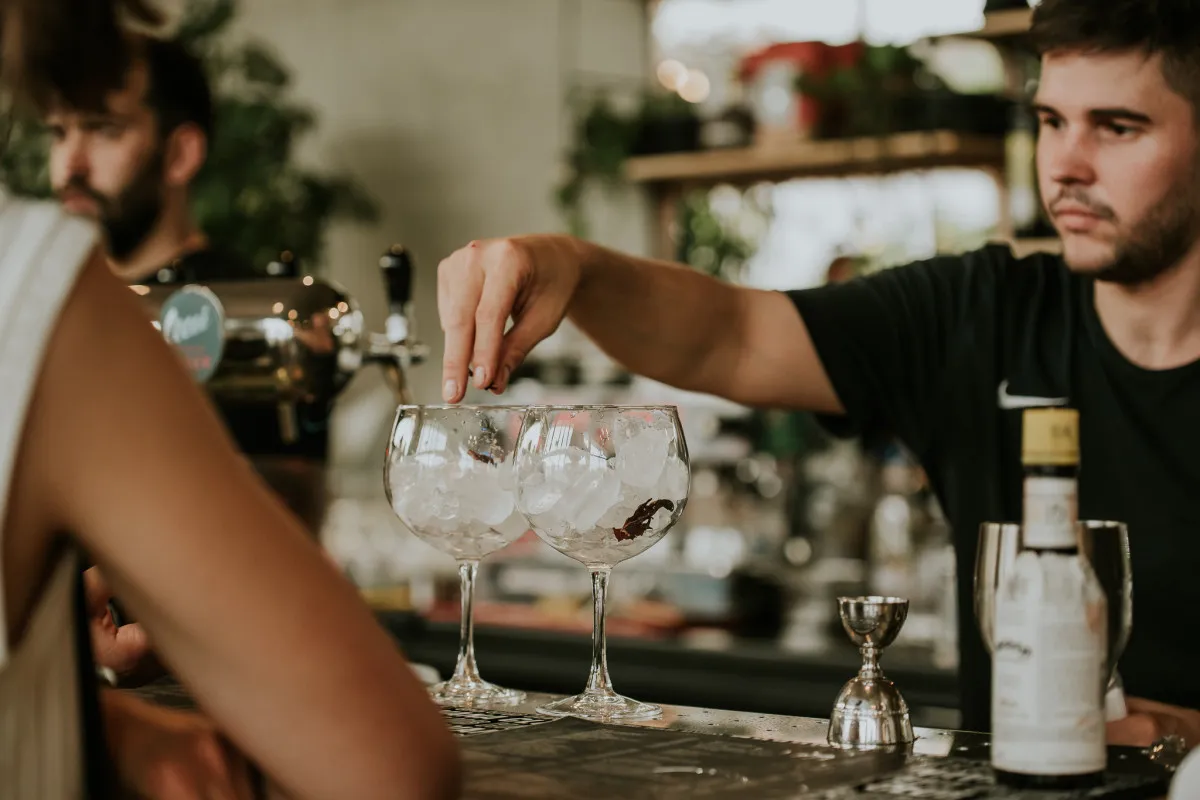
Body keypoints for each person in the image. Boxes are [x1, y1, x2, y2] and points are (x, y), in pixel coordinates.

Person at [436, 0, 1200, 752]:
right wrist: (576, 266)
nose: (1065, 164)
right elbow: (727, 336)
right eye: (1051, 121)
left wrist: (1188, 741)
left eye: (1118, 127)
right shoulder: (984, 313)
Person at [0, 2, 460, 798]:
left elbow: (278, 544)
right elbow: (393, 766)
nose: (69, 162)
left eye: (102, 130)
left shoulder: (256, 315)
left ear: (180, 152)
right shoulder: (40, 288)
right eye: (57, 132)